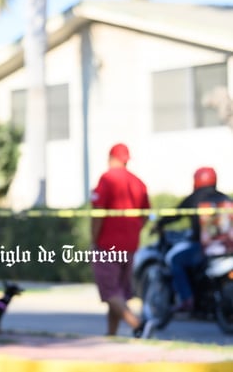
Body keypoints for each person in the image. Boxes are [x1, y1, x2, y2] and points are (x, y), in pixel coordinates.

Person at [90, 143, 150, 337]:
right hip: (130, 246)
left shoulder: (107, 178)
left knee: (110, 293)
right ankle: (111, 335)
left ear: (110, 158)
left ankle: (138, 325)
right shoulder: (139, 182)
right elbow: (146, 215)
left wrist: (93, 239)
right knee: (118, 294)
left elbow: (98, 213)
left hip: (107, 244)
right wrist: (134, 230)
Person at [155, 166, 232, 313]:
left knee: (175, 260)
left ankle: (186, 299)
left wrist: (159, 224)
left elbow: (175, 215)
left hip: (205, 249)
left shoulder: (195, 198)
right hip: (228, 248)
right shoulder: (226, 199)